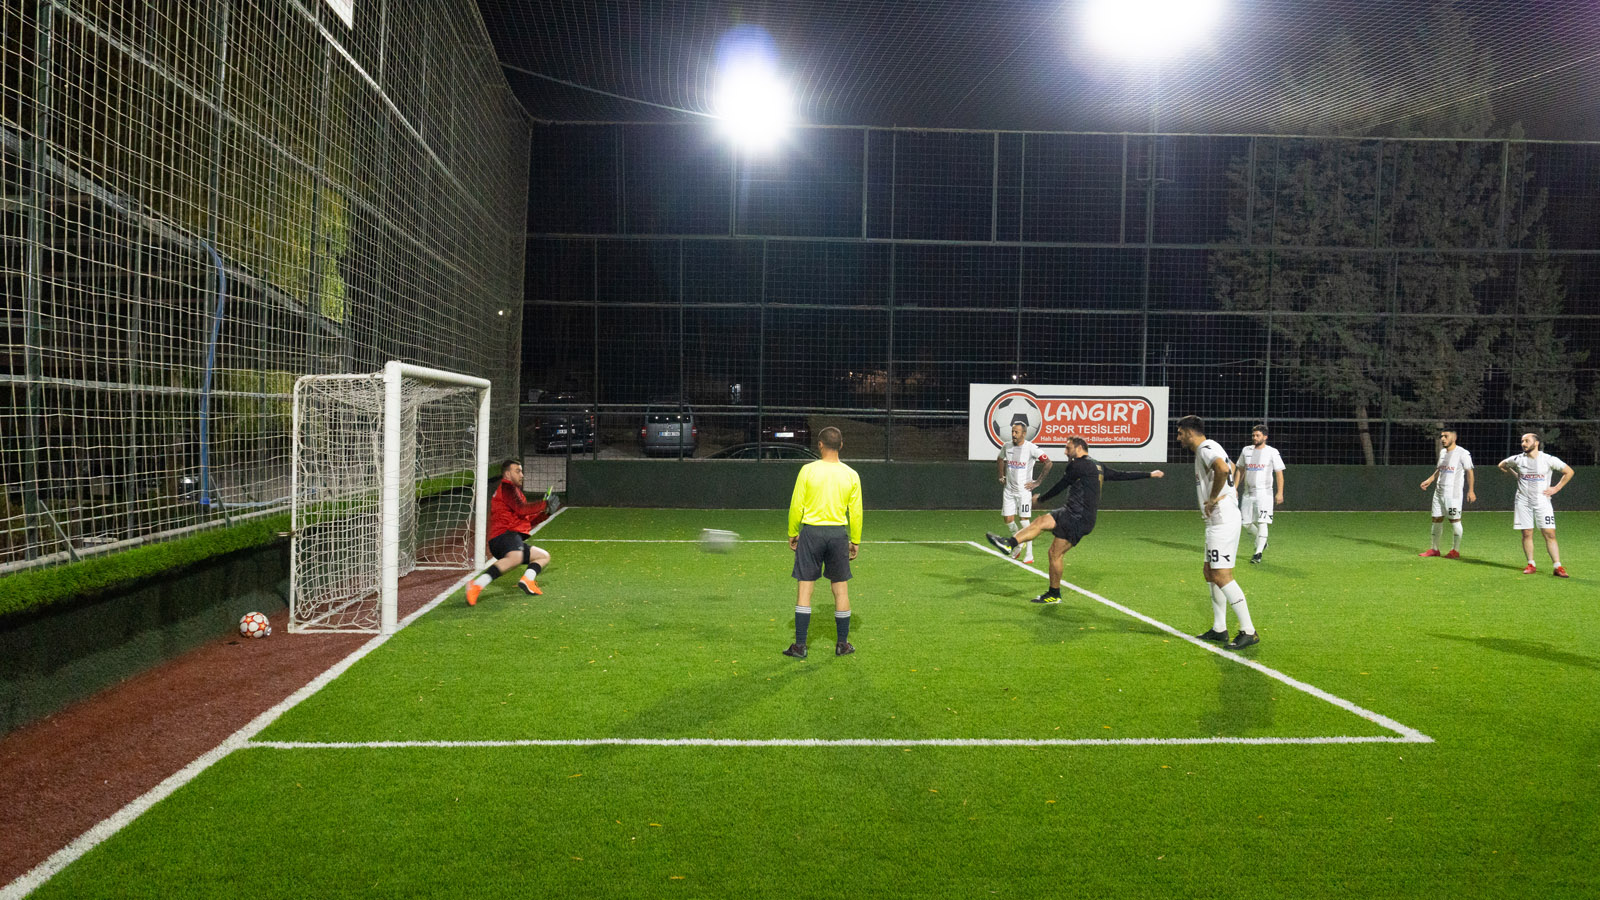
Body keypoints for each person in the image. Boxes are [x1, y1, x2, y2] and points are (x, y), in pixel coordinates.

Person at [986, 437, 1162, 604]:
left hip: (1078, 517)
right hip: (1070, 512)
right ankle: (1010, 543)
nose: (1065, 452)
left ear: (1079, 448)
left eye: (1068, 448)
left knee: (1054, 554)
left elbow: (1061, 485)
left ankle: (1054, 594)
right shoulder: (1097, 465)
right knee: (1040, 522)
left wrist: (1041, 499)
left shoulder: (1078, 465)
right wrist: (1149, 474)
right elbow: (1121, 475)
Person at [1176, 416, 1259, 650]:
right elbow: (1230, 467)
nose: (1178, 438)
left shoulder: (1205, 448)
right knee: (1210, 572)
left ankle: (1248, 630)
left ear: (1190, 432)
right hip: (1218, 520)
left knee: (1222, 575)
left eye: (1180, 433)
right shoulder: (1210, 447)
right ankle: (1219, 628)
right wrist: (1229, 491)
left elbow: (1223, 469)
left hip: (1222, 520)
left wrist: (1213, 498)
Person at [784, 426, 864, 658]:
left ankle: (800, 646)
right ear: (841, 445)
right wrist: (855, 540)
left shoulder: (807, 471)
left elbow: (797, 505)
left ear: (819, 445)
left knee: (805, 588)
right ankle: (842, 644)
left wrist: (793, 532)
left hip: (811, 534)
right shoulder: (851, 474)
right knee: (840, 589)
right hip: (838, 535)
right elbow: (856, 512)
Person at [465, 460, 553, 605]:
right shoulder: (507, 487)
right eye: (517, 471)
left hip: (509, 537)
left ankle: (528, 580)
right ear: (507, 474)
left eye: (521, 471)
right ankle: (476, 585)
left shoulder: (515, 492)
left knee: (543, 556)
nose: (522, 475)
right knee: (516, 557)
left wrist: (545, 514)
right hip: (504, 535)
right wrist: (544, 504)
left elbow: (525, 521)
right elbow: (522, 509)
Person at [1497, 432, 1573, 577]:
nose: (1523, 444)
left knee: (1550, 533)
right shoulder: (1518, 459)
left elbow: (1569, 472)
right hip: (1523, 501)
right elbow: (1502, 465)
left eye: (1527, 441)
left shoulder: (1548, 459)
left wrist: (1556, 488)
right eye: (1522, 441)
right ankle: (1531, 564)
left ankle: (1557, 566)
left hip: (1542, 501)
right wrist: (1516, 475)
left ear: (1536, 443)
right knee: (1527, 533)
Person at [996, 422, 1052, 564]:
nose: (1013, 434)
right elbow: (1000, 459)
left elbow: (1048, 463)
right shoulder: (1007, 446)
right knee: (1008, 520)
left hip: (1024, 492)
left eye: (1016, 432)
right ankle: (1019, 542)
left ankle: (1029, 555)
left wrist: (1037, 482)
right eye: (1012, 431)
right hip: (1009, 490)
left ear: (1024, 434)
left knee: (1024, 521)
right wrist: (1001, 476)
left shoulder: (1031, 448)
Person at [1418, 429, 1476, 559]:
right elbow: (1440, 469)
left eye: (1446, 436)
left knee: (1454, 521)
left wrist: (1471, 490)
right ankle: (1434, 549)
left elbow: (1470, 472)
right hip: (1439, 492)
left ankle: (1455, 550)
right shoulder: (1443, 452)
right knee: (1436, 519)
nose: (1443, 439)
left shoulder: (1463, 453)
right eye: (1442, 436)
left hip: (1453, 494)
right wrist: (1430, 480)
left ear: (1454, 438)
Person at [1234, 425, 1285, 564]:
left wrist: (1280, 492)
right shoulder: (1246, 450)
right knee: (1246, 523)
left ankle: (1258, 552)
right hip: (1247, 493)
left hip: (1264, 494)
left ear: (1265, 437)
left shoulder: (1272, 452)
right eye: (1253, 435)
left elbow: (1279, 473)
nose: (1255, 438)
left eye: (1258, 435)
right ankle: (1262, 540)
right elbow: (1240, 470)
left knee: (1263, 522)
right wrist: (1234, 488)